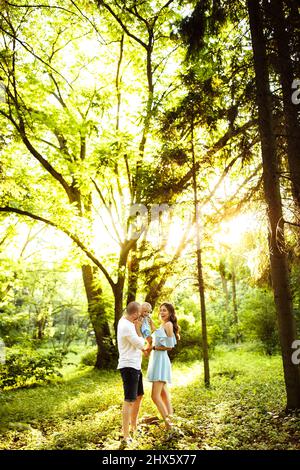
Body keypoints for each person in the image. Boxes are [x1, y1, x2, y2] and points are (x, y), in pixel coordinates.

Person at [117, 301, 147, 446]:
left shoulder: (127, 322)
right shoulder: (126, 326)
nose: (141, 316)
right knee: (129, 400)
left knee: (139, 395)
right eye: (139, 313)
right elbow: (142, 344)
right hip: (128, 366)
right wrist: (139, 329)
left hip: (136, 365)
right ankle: (125, 436)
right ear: (134, 314)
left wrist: (136, 326)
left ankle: (134, 427)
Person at [146, 302, 180, 430]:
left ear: (170, 313)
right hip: (156, 359)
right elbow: (158, 333)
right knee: (164, 395)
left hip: (161, 360)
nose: (162, 312)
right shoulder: (162, 325)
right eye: (161, 310)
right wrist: (150, 323)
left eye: (164, 310)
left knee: (155, 396)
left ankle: (169, 425)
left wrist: (154, 347)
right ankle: (172, 423)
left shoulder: (169, 324)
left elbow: (170, 346)